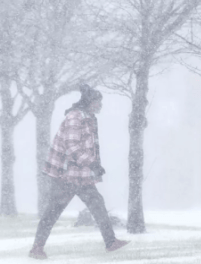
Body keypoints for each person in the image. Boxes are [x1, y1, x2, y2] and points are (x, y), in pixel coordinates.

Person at [29, 84, 130, 260]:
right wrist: (92, 164)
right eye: (98, 102)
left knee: (97, 204)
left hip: (81, 175)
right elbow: (72, 146)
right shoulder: (75, 117)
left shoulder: (89, 118)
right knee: (53, 211)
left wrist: (93, 167)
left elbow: (88, 147)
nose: (100, 105)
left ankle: (111, 242)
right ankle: (37, 248)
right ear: (89, 102)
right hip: (65, 175)